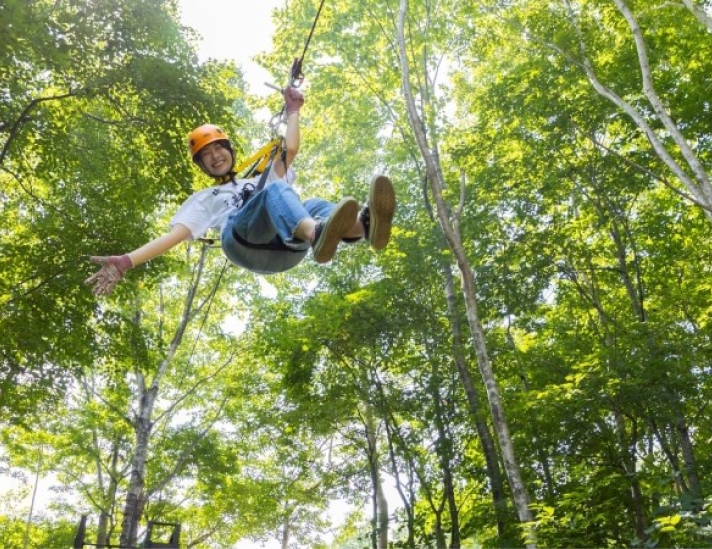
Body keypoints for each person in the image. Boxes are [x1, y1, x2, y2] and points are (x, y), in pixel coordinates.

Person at [85, 87, 396, 296]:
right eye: (207, 155)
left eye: (220, 148)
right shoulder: (206, 199)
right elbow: (174, 237)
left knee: (309, 201)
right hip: (242, 241)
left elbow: (291, 148)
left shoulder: (259, 178)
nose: (216, 155)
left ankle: (361, 228)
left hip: (288, 250)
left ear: (231, 151)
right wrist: (125, 262)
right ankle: (317, 233)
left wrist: (293, 110)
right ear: (202, 166)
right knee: (276, 193)